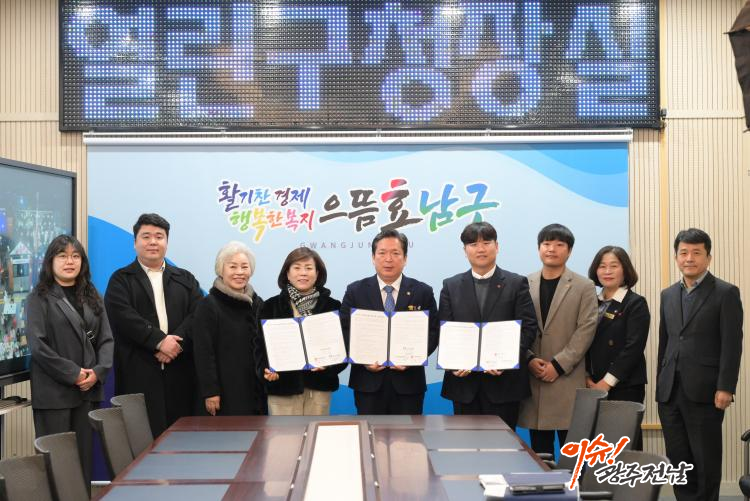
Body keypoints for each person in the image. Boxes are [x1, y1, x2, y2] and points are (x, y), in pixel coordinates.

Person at [656, 228, 743, 501]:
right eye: (683, 253)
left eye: (696, 252)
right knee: (678, 460)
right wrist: (660, 384)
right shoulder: (668, 294)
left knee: (705, 459)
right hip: (670, 392)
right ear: (676, 257)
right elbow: (665, 342)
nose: (689, 258)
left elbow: (732, 344)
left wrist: (726, 387)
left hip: (706, 391)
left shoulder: (725, 293)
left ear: (709, 257)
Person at [26, 235, 113, 489]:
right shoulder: (39, 297)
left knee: (82, 464)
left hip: (87, 393)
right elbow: (38, 346)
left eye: (75, 256)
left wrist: (97, 372)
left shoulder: (92, 295)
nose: (69, 261)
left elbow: (107, 340)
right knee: (57, 465)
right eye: (62, 256)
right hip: (54, 395)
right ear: (50, 261)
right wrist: (74, 373)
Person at [104, 213, 202, 436]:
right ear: (135, 242)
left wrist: (175, 344)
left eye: (159, 236)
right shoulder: (121, 279)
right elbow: (123, 317)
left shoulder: (185, 278)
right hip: (139, 372)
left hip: (180, 372)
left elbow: (198, 314)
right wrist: (159, 341)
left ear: (167, 242)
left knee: (182, 439)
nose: (153, 242)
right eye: (146, 236)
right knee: (142, 441)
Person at [439, 222, 537, 429]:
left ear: (497, 246)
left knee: (503, 445)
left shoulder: (516, 283)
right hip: (464, 384)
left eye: (486, 243)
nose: (480, 249)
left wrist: (506, 359)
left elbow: (528, 328)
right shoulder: (451, 285)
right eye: (473, 244)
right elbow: (444, 331)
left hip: (504, 383)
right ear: (465, 250)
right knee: (465, 444)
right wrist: (454, 363)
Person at [518, 224, 598, 456]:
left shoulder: (584, 286)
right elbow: (518, 326)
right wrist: (529, 359)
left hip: (567, 379)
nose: (551, 249)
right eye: (546, 244)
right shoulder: (525, 283)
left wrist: (559, 365)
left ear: (569, 251)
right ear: (539, 249)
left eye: (559, 244)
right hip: (534, 378)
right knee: (540, 455)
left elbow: (586, 329)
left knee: (573, 455)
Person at [340, 229, 439, 415]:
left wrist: (413, 359)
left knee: (408, 433)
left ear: (405, 258)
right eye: (382, 253)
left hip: (409, 383)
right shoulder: (356, 291)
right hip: (367, 382)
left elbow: (433, 332)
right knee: (370, 431)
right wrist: (362, 360)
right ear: (373, 257)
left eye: (395, 253)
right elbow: (344, 330)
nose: (388, 259)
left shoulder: (422, 291)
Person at [260, 248, 345, 415]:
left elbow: (343, 347)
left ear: (317, 273)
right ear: (287, 273)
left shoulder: (332, 306)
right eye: (297, 268)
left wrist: (328, 366)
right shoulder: (270, 306)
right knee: (283, 433)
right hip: (282, 388)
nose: (303, 273)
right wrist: (266, 369)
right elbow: (259, 346)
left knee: (316, 431)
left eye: (308, 268)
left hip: (318, 389)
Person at [192, 242, 266, 416]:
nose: (239, 272)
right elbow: (203, 352)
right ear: (221, 270)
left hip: (254, 391)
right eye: (233, 266)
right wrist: (210, 391)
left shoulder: (258, 303)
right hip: (223, 393)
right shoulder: (209, 305)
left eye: (244, 267)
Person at [585, 246, 650, 404]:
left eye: (614, 266)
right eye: (602, 266)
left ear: (625, 270)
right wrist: (585, 376)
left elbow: (633, 348)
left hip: (624, 386)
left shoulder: (635, 303)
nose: (607, 271)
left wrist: (607, 382)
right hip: (592, 383)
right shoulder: (591, 302)